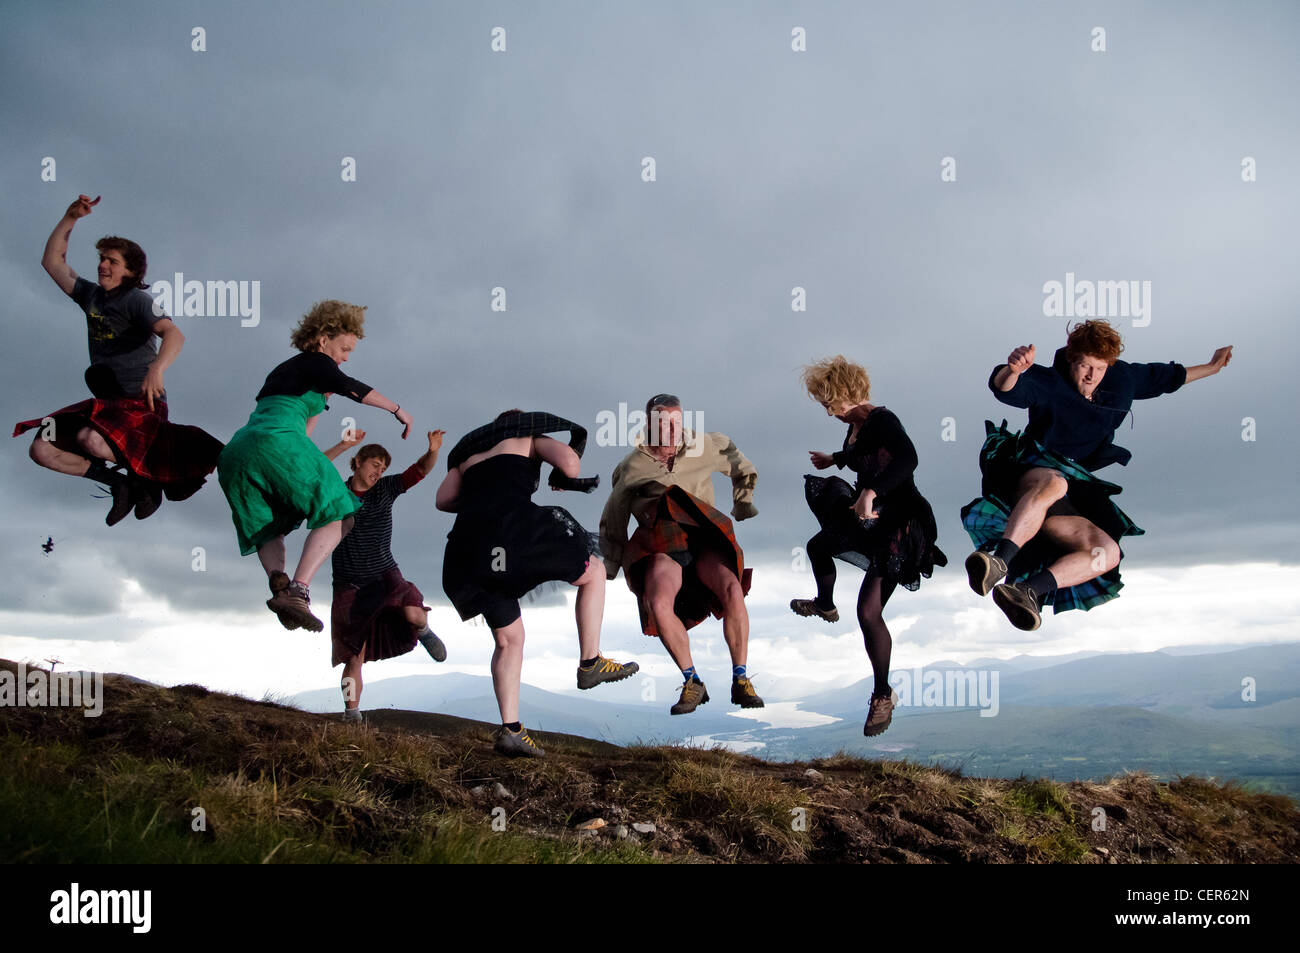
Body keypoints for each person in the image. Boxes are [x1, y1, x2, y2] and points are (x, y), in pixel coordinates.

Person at [962, 320, 1233, 630]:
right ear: (1071, 360)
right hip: (1027, 474)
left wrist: (1212, 368)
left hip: (1070, 491)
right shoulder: (1050, 382)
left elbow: (1167, 378)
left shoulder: (1122, 380)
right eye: (1085, 366)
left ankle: (1026, 592)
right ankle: (1000, 561)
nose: (1091, 376)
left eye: (1100, 368)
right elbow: (1006, 389)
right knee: (1055, 481)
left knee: (1108, 552)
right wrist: (1012, 370)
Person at [438, 410, 639, 758]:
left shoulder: (468, 456)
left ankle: (511, 731)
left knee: (509, 638)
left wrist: (482, 492)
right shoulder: (528, 434)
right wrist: (558, 472)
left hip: (467, 548)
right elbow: (571, 465)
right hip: (514, 531)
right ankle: (590, 661)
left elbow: (443, 500)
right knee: (592, 571)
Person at [15, 195, 222, 523]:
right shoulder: (92, 296)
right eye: (101, 259)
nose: (102, 265)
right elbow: (53, 263)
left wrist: (158, 367)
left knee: (91, 440)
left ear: (130, 271)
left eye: (111, 260)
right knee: (42, 449)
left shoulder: (137, 301)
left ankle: (147, 481)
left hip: (142, 406)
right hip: (108, 406)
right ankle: (120, 484)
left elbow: (174, 334)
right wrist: (71, 217)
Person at [217, 300, 413, 631]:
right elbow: (352, 387)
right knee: (340, 509)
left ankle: (279, 584)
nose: (346, 356)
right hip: (276, 442)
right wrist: (397, 410)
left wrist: (341, 443)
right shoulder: (315, 362)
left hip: (238, 451)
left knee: (273, 523)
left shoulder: (287, 374)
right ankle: (299, 590)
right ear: (323, 339)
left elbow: (304, 453)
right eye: (345, 348)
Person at [794, 357, 947, 737]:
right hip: (874, 514)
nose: (830, 414)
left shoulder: (883, 419)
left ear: (846, 397)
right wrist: (836, 459)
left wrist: (871, 491)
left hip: (900, 525)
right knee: (818, 545)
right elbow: (864, 455)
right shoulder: (859, 425)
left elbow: (908, 459)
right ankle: (825, 603)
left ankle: (883, 695)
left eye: (831, 406)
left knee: (867, 612)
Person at [599, 394, 764, 716]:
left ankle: (741, 679)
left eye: (677, 422)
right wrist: (611, 561)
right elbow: (615, 513)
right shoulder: (632, 466)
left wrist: (743, 501)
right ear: (649, 425)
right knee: (658, 603)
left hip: (704, 535)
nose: (673, 430)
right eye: (664, 424)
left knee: (733, 590)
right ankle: (692, 681)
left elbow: (741, 465)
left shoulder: (706, 446)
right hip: (660, 539)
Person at [321, 429, 448, 723]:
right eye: (374, 464)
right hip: (349, 584)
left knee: (415, 616)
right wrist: (343, 443)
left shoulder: (386, 489)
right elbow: (317, 467)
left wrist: (433, 451)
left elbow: (419, 471)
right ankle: (351, 714)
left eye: (383, 467)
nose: (378, 471)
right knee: (354, 656)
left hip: (384, 573)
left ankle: (424, 632)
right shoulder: (336, 492)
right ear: (358, 463)